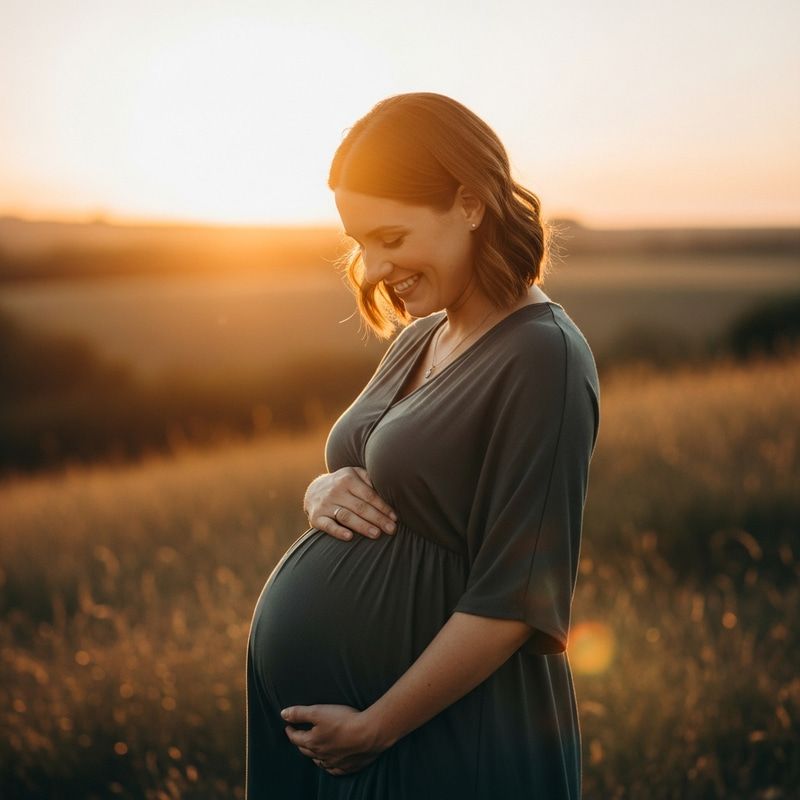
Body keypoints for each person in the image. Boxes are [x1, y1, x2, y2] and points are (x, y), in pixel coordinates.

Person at [246, 92, 600, 799]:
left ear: (469, 203)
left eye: (391, 238)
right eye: (359, 245)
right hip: (349, 742)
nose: (372, 269)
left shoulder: (543, 358)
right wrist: (322, 488)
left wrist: (377, 727)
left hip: (441, 742)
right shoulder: (422, 337)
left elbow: (515, 600)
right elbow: (375, 463)